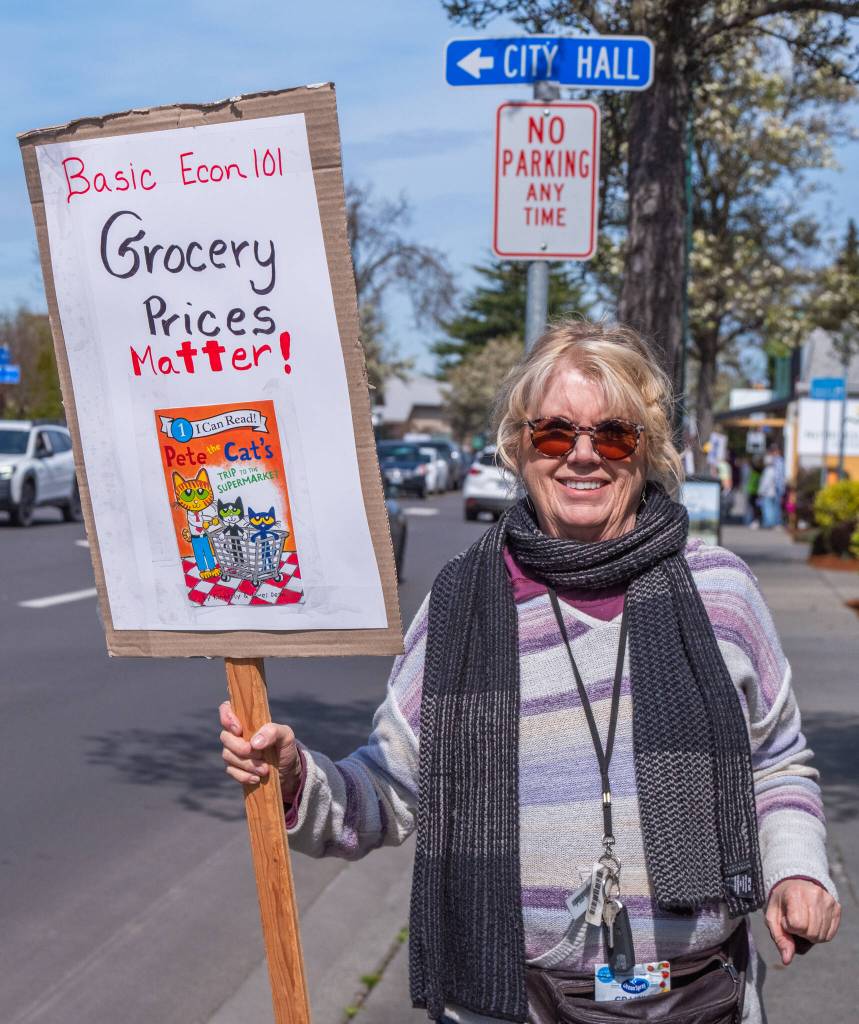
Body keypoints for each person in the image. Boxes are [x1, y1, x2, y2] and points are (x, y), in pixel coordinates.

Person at [219, 321, 840, 1024]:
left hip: (702, 1001)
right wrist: (294, 778)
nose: (583, 455)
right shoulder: (461, 605)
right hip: (511, 1005)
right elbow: (389, 790)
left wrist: (796, 868)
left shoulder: (719, 591)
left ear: (648, 449)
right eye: (554, 433)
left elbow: (776, 763)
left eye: (613, 435)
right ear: (519, 447)